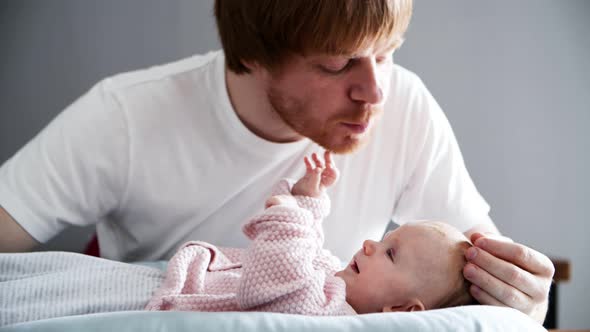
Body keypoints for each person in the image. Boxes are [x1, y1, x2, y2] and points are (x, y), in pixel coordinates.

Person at [0, 0, 553, 323]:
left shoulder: (405, 106)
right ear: (253, 58)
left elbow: (467, 280)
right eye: (338, 66)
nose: (376, 92)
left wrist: (521, 300)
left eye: (386, 53)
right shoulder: (124, 114)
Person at [0, 152, 472, 326]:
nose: (369, 244)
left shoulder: (328, 313)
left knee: (43, 298)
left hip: (165, 299)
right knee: (49, 269)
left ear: (402, 312)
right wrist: (309, 198)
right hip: (171, 278)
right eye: (382, 239)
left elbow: (278, 282)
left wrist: (287, 217)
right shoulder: (332, 280)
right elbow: (306, 249)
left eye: (390, 253)